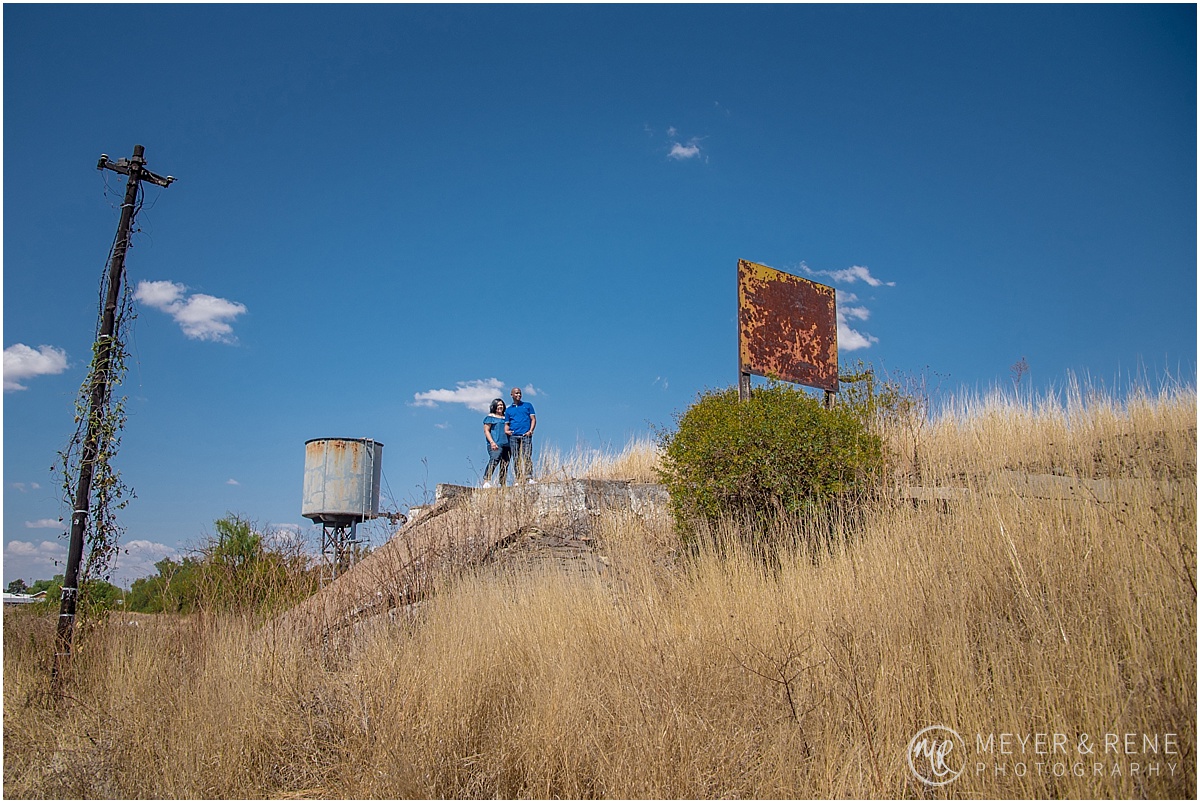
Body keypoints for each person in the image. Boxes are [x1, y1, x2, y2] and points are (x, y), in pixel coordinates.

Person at [504, 386, 537, 484]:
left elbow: (533, 419)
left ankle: (529, 477)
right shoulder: (509, 410)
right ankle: (518, 479)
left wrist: (530, 430)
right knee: (516, 457)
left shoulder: (527, 405)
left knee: (527, 456)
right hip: (514, 436)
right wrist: (507, 431)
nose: (518, 395)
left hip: (525, 435)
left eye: (520, 393)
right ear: (512, 395)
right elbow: (507, 423)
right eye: (516, 393)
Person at [481, 398, 510, 488]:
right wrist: (492, 442)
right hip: (495, 443)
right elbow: (486, 431)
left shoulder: (506, 418)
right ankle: (486, 480)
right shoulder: (490, 418)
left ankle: (502, 482)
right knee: (494, 459)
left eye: (501, 405)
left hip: (507, 443)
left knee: (505, 463)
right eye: (498, 405)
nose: (500, 407)